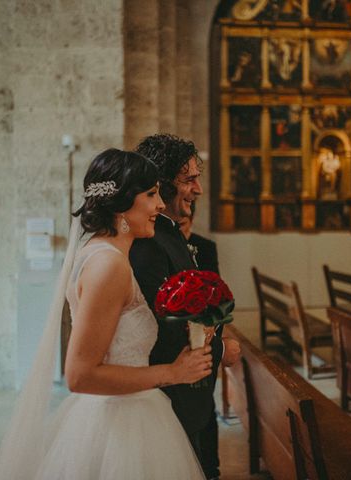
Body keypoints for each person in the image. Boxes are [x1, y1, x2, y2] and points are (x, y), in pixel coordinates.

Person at [0, 148, 212, 480]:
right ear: (122, 203)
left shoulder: (102, 253)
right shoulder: (108, 265)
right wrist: (173, 372)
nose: (160, 205)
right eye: (150, 195)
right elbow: (80, 375)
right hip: (119, 424)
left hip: (127, 412)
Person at [129, 134, 241, 480]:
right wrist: (221, 348)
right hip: (172, 398)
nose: (198, 189)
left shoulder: (170, 232)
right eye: (189, 179)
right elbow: (159, 326)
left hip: (192, 393)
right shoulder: (150, 242)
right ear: (162, 184)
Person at [180, 202, 219, 274]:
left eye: (182, 224)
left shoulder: (207, 247)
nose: (178, 229)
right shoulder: (165, 246)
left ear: (191, 221)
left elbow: (213, 281)